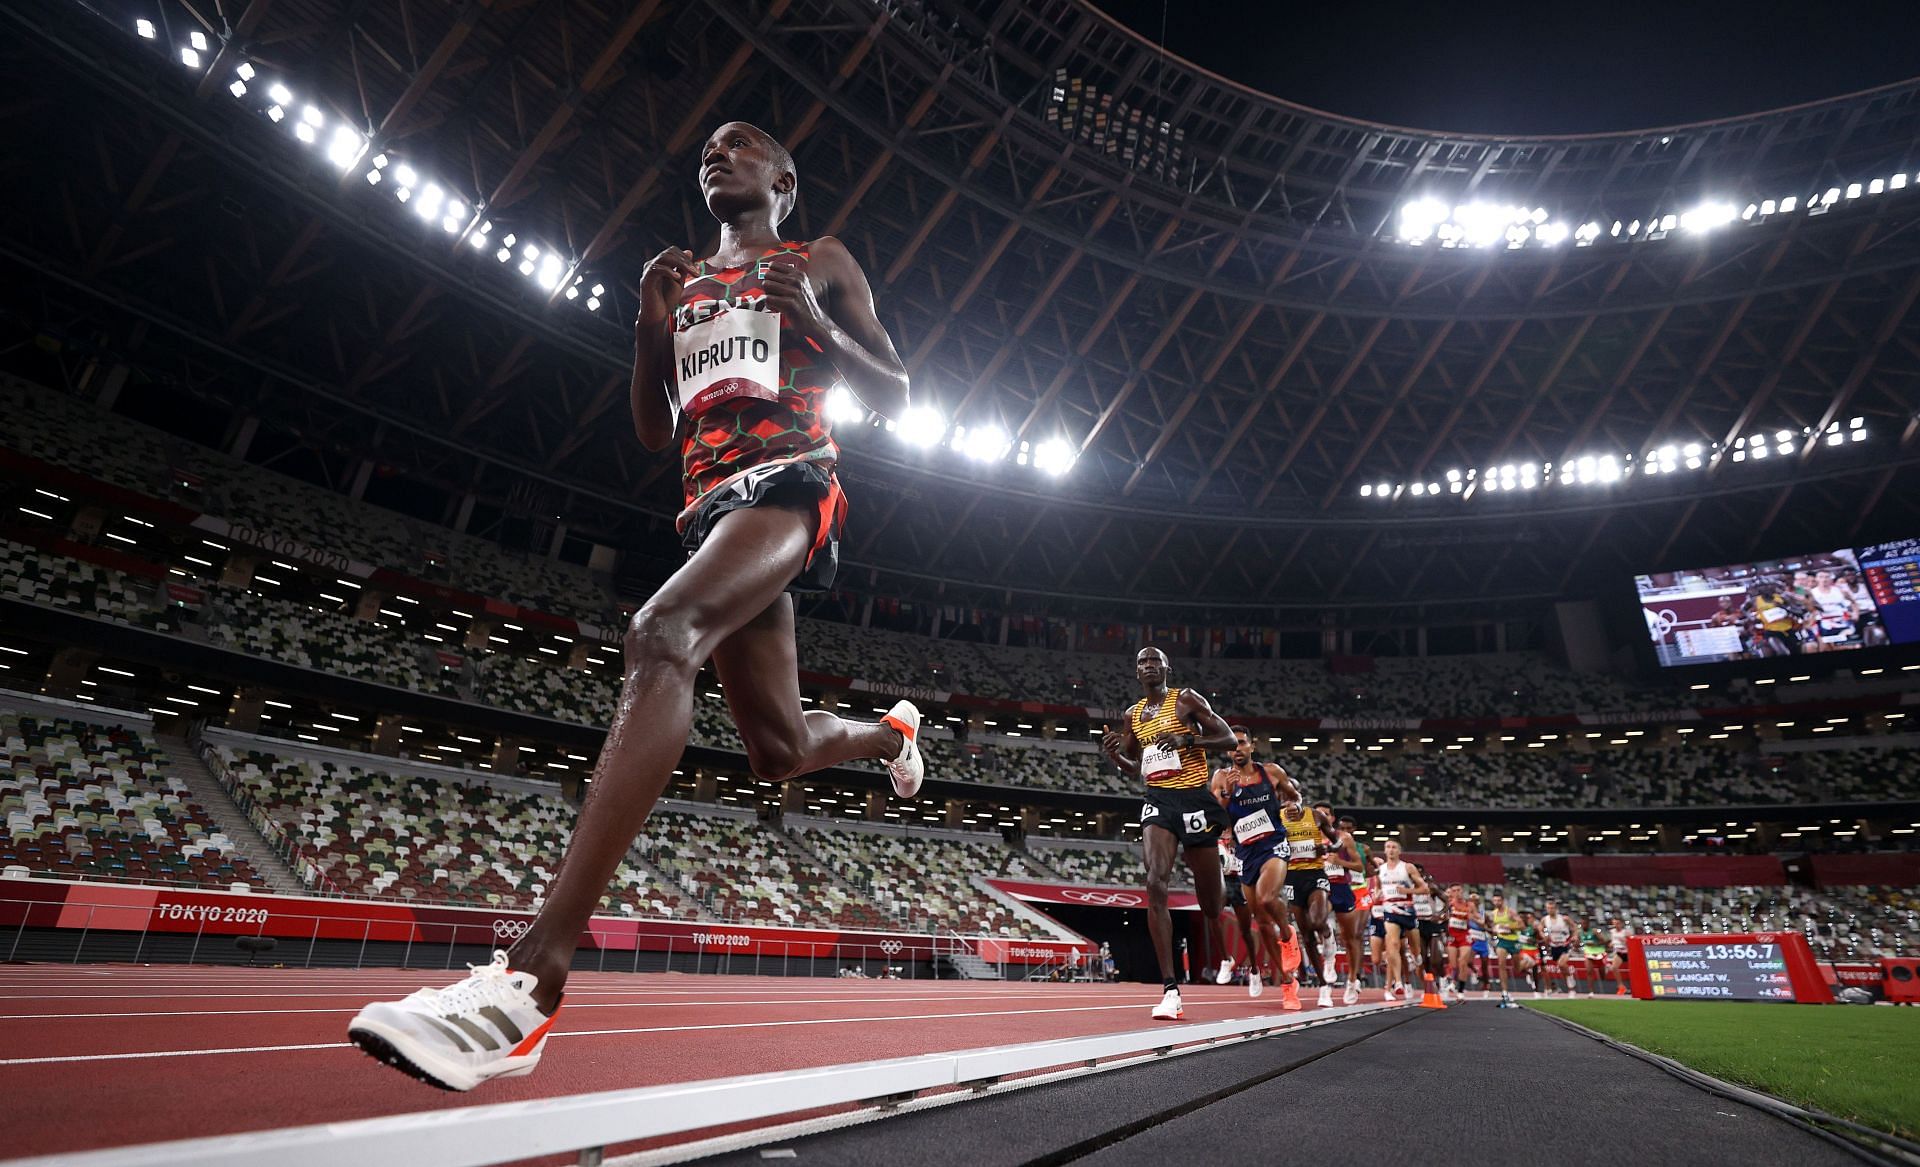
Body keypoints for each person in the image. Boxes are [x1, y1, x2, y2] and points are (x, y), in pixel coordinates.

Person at [348, 122, 926, 1092]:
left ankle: (533, 981)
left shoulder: (817, 259)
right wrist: (649, 328)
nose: (717, 152)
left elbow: (902, 394)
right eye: (706, 146)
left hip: (790, 484)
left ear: (784, 179)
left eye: (741, 145)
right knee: (778, 750)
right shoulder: (684, 279)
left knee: (662, 635)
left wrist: (817, 328)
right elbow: (656, 431)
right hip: (710, 508)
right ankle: (891, 734)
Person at [1102, 647, 1237, 1019]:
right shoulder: (1132, 715)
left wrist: (1188, 741)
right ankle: (1170, 989)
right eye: (1142, 662)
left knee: (1210, 904)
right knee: (1155, 882)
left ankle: (1220, 890)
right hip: (1158, 800)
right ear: (1136, 672)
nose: (1148, 667)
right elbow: (1134, 766)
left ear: (1166, 668)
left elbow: (1228, 740)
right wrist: (1115, 754)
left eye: (1154, 662)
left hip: (1194, 798)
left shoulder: (1186, 700)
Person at [1209, 728, 1301, 1009]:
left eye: (1241, 743)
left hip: (1273, 845)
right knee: (1261, 923)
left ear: (1252, 746)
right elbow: (1216, 816)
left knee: (1266, 896)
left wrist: (1295, 807)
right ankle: (1288, 984)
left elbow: (1294, 797)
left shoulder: (1271, 772)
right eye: (1231, 745)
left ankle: (1287, 935)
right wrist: (1228, 793)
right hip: (1245, 853)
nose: (1236, 749)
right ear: (1226, 751)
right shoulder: (1222, 778)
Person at [1276, 798, 1338, 987]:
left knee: (1317, 921)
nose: (1287, 802)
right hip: (1292, 878)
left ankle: (1329, 943)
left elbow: (1338, 842)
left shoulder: (1316, 816)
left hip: (1315, 874)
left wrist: (1326, 848)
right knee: (1307, 936)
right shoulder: (1275, 818)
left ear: (1298, 798)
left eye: (1290, 797)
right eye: (1282, 798)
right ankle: (1322, 984)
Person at [1319, 807, 1367, 1006]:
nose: (1321, 817)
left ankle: (1352, 980)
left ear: (1332, 818)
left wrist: (1339, 861)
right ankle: (1327, 973)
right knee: (1319, 921)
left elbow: (1359, 867)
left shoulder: (1344, 838)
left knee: (1351, 938)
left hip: (1342, 888)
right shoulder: (1307, 836)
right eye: (1317, 813)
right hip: (1320, 886)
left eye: (1326, 814)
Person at [1374, 840, 1428, 1001]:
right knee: (1394, 944)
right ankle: (1398, 983)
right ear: (1384, 851)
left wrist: (1408, 890)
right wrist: (1377, 894)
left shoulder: (1407, 867)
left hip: (1408, 911)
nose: (1390, 850)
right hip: (1390, 910)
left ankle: (1418, 964)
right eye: (1388, 847)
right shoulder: (1381, 870)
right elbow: (1378, 887)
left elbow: (1424, 888)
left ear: (1399, 851)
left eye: (1394, 847)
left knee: (1416, 951)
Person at [1218, 834, 1259, 988]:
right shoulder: (1216, 833)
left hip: (1241, 881)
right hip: (1222, 879)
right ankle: (1226, 959)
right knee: (1212, 915)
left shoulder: (1242, 834)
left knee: (1246, 930)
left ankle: (1254, 969)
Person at [1487, 892, 1522, 1006]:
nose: (1496, 903)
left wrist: (1508, 926)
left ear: (1503, 901)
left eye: (1498, 901)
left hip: (1513, 941)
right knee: (1501, 964)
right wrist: (1493, 930)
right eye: (1495, 901)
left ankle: (1528, 967)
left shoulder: (1510, 912)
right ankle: (1505, 992)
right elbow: (1493, 928)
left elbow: (1522, 925)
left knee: (1517, 968)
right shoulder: (1493, 914)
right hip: (1502, 941)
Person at [1538, 900, 1575, 997]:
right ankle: (1567, 981)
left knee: (1561, 964)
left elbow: (1575, 927)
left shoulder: (1564, 918)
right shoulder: (1545, 920)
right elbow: (1540, 928)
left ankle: (1571, 989)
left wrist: (1575, 936)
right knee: (1560, 968)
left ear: (1556, 909)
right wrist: (1543, 935)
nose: (1550, 910)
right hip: (1553, 946)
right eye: (1548, 908)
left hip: (1565, 945)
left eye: (1552, 908)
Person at [1577, 916, 1608, 995]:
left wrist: (1595, 944)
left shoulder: (1594, 931)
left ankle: (1605, 969)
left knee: (1602, 975)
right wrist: (1576, 944)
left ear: (1588, 924)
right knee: (1589, 971)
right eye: (1582, 924)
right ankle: (1591, 991)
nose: (1583, 925)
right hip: (1588, 953)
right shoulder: (1579, 933)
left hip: (1599, 952)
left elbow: (1604, 941)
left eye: (1585, 924)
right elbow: (1577, 943)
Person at [1606, 917, 1633, 995]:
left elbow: (1632, 942)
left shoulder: (1626, 932)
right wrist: (1611, 944)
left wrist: (1625, 941)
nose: (1616, 925)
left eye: (1617, 923)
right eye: (1614, 923)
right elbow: (1612, 941)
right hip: (1619, 952)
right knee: (1614, 968)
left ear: (1621, 924)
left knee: (1633, 970)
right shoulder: (1612, 932)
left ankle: (1636, 986)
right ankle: (1621, 987)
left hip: (1628, 953)